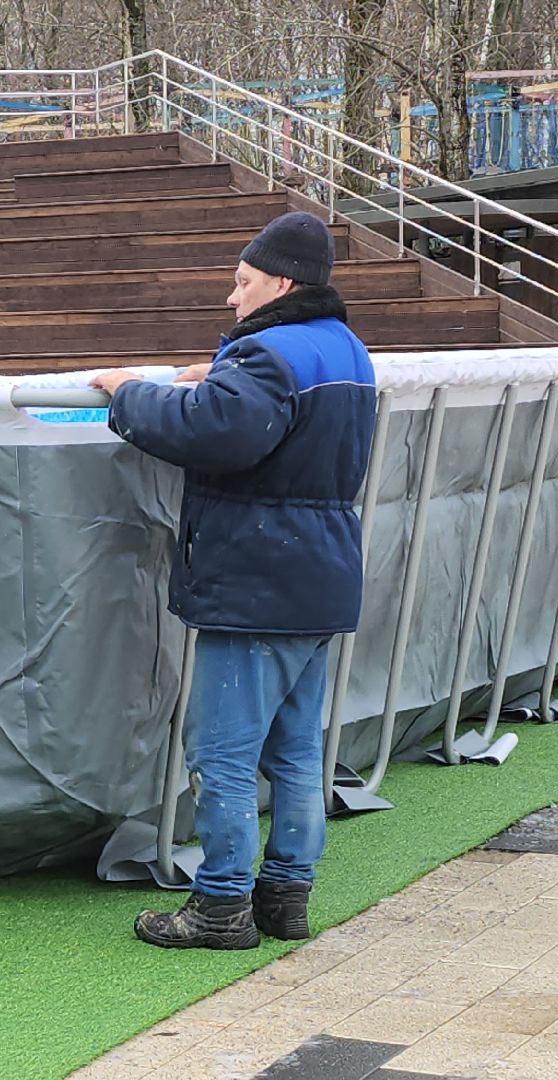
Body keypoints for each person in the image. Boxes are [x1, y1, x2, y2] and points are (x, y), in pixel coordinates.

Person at [87, 211, 375, 951]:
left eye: (242, 282)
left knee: (223, 754)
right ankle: (286, 899)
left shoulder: (269, 354)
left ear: (281, 283)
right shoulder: (344, 349)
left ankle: (218, 907)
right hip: (320, 574)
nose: (230, 298)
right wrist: (217, 378)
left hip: (256, 579)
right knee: (296, 752)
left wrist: (125, 392)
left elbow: (215, 435)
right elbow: (260, 420)